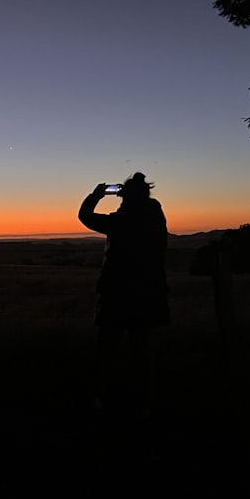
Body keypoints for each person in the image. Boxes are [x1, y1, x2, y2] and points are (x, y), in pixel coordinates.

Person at [78, 172, 169, 407]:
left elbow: (85, 216)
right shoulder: (156, 217)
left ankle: (101, 398)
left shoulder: (120, 221)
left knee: (106, 350)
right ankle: (142, 402)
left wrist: (96, 195)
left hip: (117, 295)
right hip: (149, 294)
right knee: (142, 352)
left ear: (124, 197)